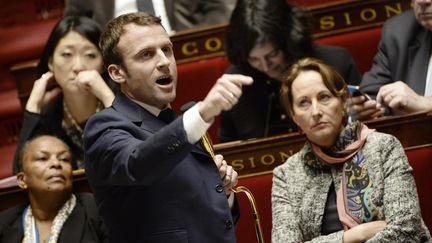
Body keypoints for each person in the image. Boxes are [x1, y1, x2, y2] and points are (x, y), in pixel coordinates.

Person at [83, 12, 253, 242]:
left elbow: (209, 222)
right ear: (117, 73)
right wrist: (202, 113)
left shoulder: (180, 123)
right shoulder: (105, 127)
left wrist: (225, 193)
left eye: (167, 50)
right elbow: (138, 164)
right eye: (146, 54)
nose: (164, 61)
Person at [272, 57, 431, 242]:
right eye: (303, 103)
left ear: (343, 102)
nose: (315, 111)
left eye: (324, 97)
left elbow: (407, 230)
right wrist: (353, 236)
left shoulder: (383, 147)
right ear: (294, 116)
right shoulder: (286, 175)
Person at [219, 0, 362, 143]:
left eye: (272, 54)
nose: (265, 66)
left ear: (289, 41)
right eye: (253, 59)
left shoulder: (336, 62)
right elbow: (229, 148)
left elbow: (361, 125)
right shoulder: (234, 83)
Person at [12, 16, 115, 174]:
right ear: (51, 63)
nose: (78, 66)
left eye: (90, 55)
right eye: (67, 55)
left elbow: (143, 157)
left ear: (103, 64)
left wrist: (107, 97)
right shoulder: (49, 117)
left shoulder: (122, 98)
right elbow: (22, 178)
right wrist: (32, 109)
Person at [0, 135, 107, 243]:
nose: (56, 164)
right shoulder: (5, 223)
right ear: (22, 180)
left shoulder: (95, 208)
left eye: (64, 159)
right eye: (43, 158)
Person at [350, 0, 432, 121]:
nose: (422, 1)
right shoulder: (399, 32)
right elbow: (372, 93)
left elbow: (420, 104)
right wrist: (365, 107)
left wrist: (425, 104)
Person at [64, 0, 234, 34]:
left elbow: (220, 8)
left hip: (183, 51)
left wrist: (194, 41)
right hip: (117, 62)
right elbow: (74, 25)